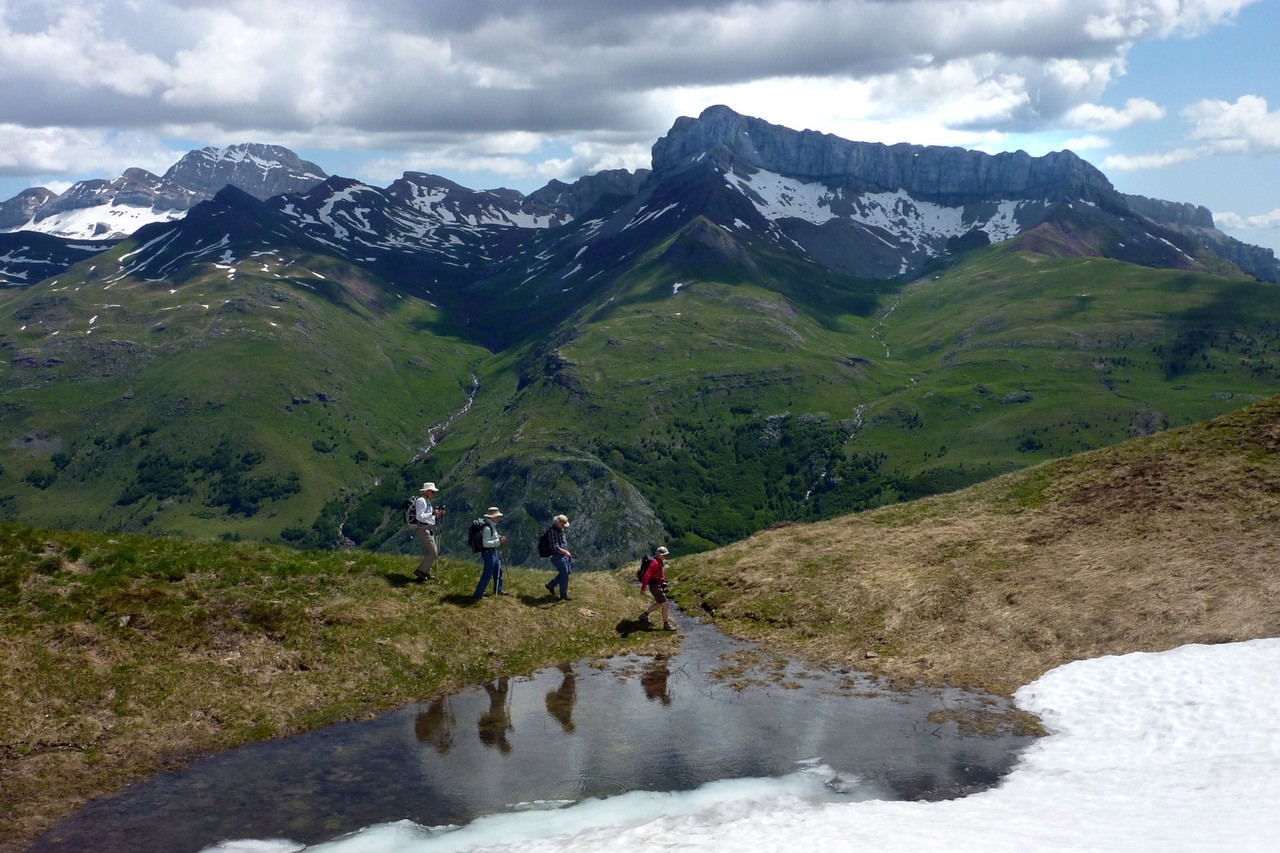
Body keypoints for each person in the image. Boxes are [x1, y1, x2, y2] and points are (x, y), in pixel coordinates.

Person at [411, 482, 444, 581]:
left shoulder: (426, 501)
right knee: (433, 552)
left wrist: (436, 514)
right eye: (432, 491)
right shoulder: (421, 501)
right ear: (426, 491)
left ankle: (426, 572)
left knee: (428, 551)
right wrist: (433, 513)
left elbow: (428, 515)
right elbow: (419, 516)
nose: (433, 493)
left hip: (426, 528)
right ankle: (420, 571)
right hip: (423, 528)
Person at [472, 506, 507, 599]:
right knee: (488, 573)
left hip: (492, 551)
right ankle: (478, 594)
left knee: (498, 570)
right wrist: (499, 542)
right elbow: (486, 543)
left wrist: (498, 537)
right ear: (492, 517)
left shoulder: (491, 525)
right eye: (497, 516)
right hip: (488, 553)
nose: (499, 518)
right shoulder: (487, 528)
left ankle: (498, 589)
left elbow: (492, 537)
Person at [638, 546, 675, 630]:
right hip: (654, 587)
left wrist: (663, 584)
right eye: (664, 555)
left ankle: (644, 615)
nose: (665, 556)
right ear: (659, 555)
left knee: (660, 603)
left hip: (657, 586)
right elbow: (647, 575)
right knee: (665, 604)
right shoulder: (655, 563)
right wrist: (643, 589)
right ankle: (666, 625)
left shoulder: (659, 562)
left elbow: (660, 575)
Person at [543, 513, 573, 600]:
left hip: (564, 554)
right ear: (558, 523)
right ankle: (563, 594)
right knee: (564, 573)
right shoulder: (553, 531)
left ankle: (551, 585)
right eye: (563, 525)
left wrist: (566, 552)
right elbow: (554, 546)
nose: (564, 527)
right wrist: (565, 552)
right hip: (557, 556)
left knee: (566, 573)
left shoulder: (560, 530)